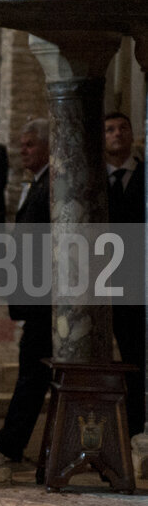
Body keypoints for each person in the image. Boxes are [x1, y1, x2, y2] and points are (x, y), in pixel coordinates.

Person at [0, 118, 51, 462]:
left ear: (47, 146)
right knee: (31, 371)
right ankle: (11, 440)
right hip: (37, 299)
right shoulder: (37, 183)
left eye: (29, 144)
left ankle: (11, 442)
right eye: (22, 143)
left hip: (47, 300)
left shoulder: (50, 184)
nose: (22, 150)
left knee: (32, 373)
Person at [102, 111, 145, 435]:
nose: (117, 134)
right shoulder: (89, 179)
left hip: (136, 285)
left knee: (136, 358)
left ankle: (134, 427)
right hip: (100, 284)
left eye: (123, 128)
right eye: (110, 130)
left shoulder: (143, 176)